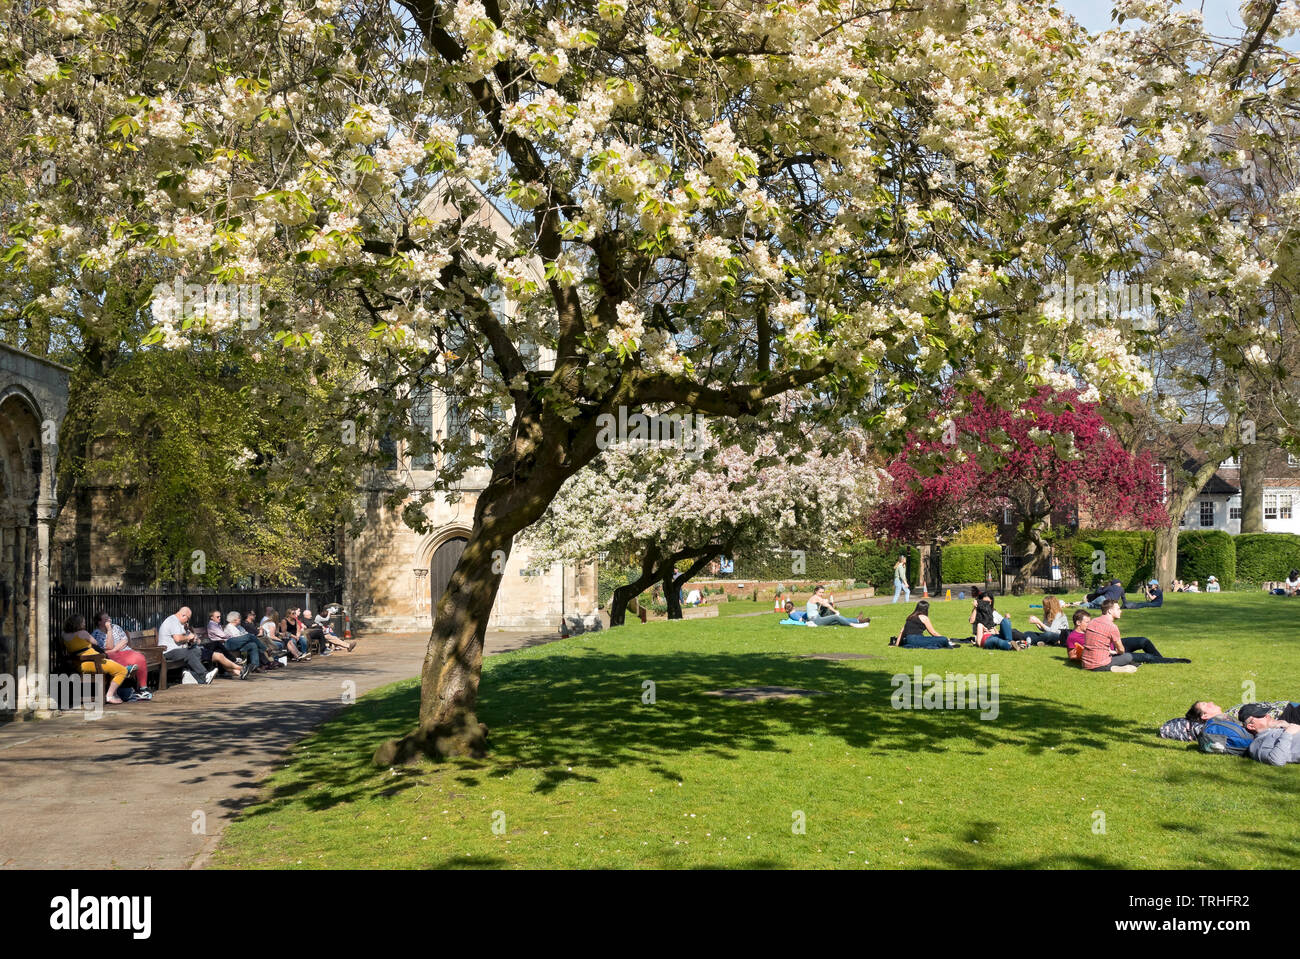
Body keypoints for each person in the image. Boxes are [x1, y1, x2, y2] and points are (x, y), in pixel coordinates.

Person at [61, 615, 133, 704]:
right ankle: (110, 695)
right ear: (78, 623)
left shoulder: (64, 634)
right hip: (94, 662)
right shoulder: (83, 633)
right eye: (83, 622)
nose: (84, 623)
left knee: (112, 665)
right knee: (122, 671)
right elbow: (95, 642)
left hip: (78, 664)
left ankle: (114, 693)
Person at [91, 610, 152, 700]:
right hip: (111, 656)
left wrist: (114, 649)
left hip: (122, 651)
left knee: (140, 657)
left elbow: (124, 640)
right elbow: (108, 646)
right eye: (106, 618)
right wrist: (109, 630)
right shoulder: (96, 633)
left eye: (109, 617)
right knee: (115, 659)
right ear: (99, 622)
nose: (109, 619)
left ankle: (143, 688)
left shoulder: (116, 627)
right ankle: (127, 671)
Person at [157, 606, 219, 684]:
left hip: (176, 651)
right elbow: (178, 639)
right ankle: (204, 675)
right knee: (189, 653)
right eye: (188, 618)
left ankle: (190, 676)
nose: (187, 621)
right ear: (183, 615)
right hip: (167, 652)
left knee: (197, 651)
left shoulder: (177, 622)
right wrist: (188, 637)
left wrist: (190, 638)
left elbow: (181, 639)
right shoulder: (173, 621)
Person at [1080, 599, 1138, 672]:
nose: (1121, 611)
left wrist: (1109, 651)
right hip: (1099, 664)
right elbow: (1121, 650)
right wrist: (1117, 652)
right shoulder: (1112, 626)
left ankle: (1116, 667)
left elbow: (1094, 644)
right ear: (1110, 611)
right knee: (1128, 656)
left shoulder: (1092, 621)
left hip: (1086, 663)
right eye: (1118, 609)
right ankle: (1113, 668)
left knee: (1119, 656)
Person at [891, 600, 957, 648]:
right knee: (943, 639)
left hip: (908, 640)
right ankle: (947, 641)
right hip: (917, 640)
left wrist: (896, 645)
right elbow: (933, 633)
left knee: (930, 639)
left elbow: (901, 632)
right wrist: (946, 639)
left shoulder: (910, 617)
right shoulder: (924, 617)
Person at [804, 585, 870, 627]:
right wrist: (835, 611)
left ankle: (858, 621)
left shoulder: (816, 597)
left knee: (839, 620)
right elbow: (827, 605)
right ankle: (853, 625)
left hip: (817, 619)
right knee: (836, 617)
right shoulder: (815, 597)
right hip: (816, 620)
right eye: (820, 592)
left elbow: (823, 602)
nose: (821, 594)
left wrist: (825, 600)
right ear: (816, 591)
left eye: (822, 592)